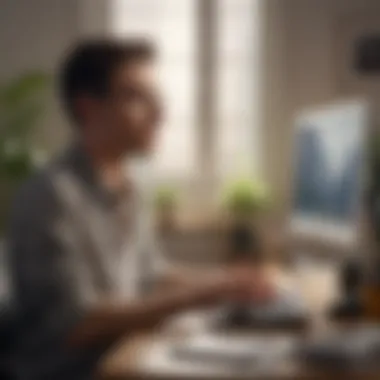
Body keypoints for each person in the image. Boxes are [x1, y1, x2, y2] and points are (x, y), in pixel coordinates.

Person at [6, 39, 273, 380]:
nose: (159, 113)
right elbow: (79, 326)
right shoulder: (49, 197)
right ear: (89, 109)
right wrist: (198, 296)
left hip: (125, 358)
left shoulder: (128, 187)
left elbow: (153, 275)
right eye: (137, 97)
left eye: (156, 99)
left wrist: (226, 281)